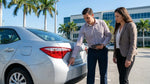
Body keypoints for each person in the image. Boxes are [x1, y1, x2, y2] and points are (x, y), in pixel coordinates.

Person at [68, 8, 112, 84]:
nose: (86, 20)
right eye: (84, 18)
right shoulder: (83, 28)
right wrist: (73, 56)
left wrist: (103, 44)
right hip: (91, 52)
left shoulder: (102, 23)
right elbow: (79, 42)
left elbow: (109, 35)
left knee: (103, 74)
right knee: (90, 74)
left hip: (103, 51)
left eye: (87, 17)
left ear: (92, 15)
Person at [113, 7, 137, 84]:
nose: (115, 18)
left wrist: (129, 59)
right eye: (115, 16)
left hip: (127, 55)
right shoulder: (117, 27)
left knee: (124, 79)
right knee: (121, 77)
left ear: (123, 16)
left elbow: (133, 44)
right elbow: (116, 43)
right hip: (119, 55)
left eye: (117, 16)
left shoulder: (130, 25)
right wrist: (114, 55)